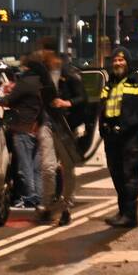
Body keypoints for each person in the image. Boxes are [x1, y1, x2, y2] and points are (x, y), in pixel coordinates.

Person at [100, 47, 138, 229]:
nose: (117, 63)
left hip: (129, 138)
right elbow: (102, 110)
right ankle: (123, 212)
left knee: (130, 177)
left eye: (121, 60)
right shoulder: (109, 84)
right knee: (117, 176)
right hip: (112, 138)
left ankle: (130, 216)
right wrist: (103, 131)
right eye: (115, 60)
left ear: (128, 62)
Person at [37, 50, 82, 226]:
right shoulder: (44, 77)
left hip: (66, 127)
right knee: (48, 167)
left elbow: (83, 98)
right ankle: (48, 205)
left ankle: (66, 208)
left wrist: (66, 103)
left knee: (68, 169)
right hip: (47, 125)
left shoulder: (70, 76)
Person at [0, 55, 46, 208]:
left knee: (25, 168)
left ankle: (30, 197)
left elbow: (8, 100)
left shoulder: (25, 81)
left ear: (27, 68)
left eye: (23, 67)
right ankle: (39, 198)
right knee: (36, 168)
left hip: (23, 128)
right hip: (38, 128)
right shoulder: (42, 82)